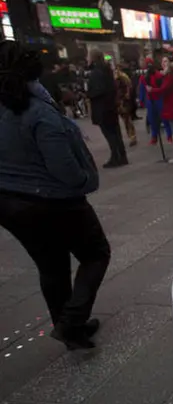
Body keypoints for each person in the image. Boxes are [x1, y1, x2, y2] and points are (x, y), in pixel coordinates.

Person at [0, 40, 110, 350]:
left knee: (51, 265)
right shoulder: (39, 113)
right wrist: (86, 178)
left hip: (10, 203)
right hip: (51, 201)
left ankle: (69, 328)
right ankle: (71, 322)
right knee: (95, 254)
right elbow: (66, 172)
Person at [88, 50, 128, 168]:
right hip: (111, 106)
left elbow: (97, 90)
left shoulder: (96, 73)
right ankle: (122, 155)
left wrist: (89, 93)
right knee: (116, 132)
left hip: (102, 108)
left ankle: (115, 157)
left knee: (110, 133)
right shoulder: (107, 70)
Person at [114, 63, 137, 146]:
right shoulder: (115, 78)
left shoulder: (123, 77)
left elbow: (129, 87)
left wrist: (127, 96)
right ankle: (131, 136)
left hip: (123, 101)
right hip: (119, 101)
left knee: (127, 120)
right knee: (125, 120)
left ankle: (132, 136)